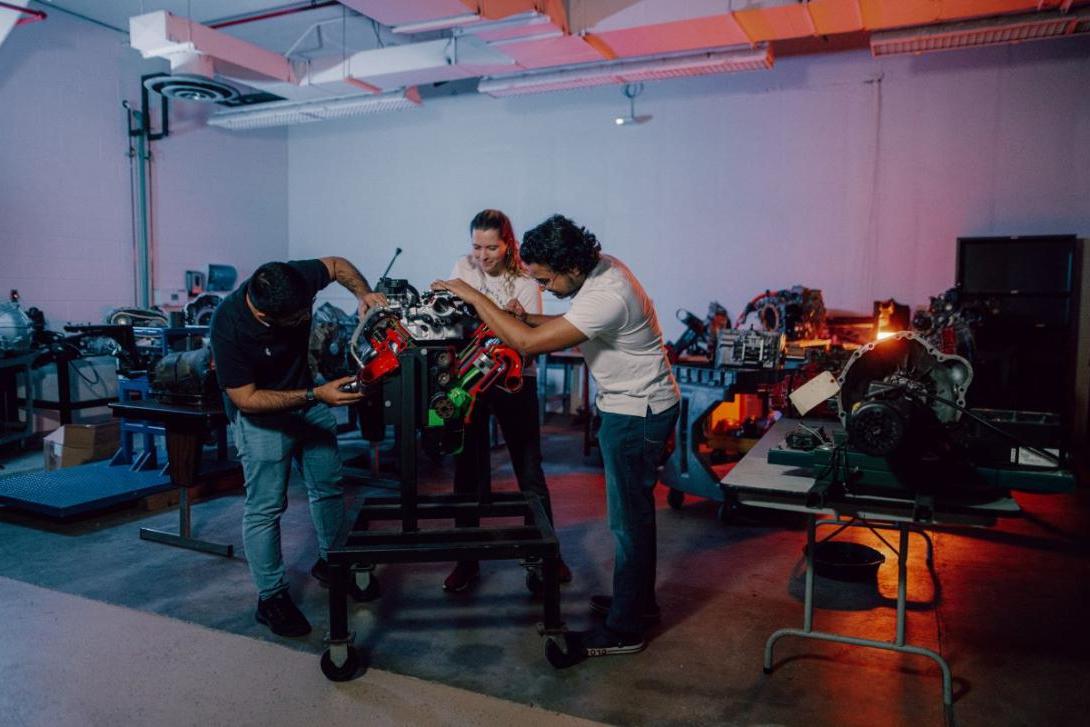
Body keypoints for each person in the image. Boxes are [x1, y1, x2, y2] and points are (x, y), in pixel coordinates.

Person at [434, 214, 679, 657]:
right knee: (633, 519)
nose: (544, 290)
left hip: (636, 413)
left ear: (569, 267)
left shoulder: (608, 294)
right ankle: (636, 603)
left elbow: (528, 346)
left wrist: (471, 295)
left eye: (546, 281)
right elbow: (563, 319)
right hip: (635, 407)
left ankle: (625, 629)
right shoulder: (601, 267)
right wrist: (523, 314)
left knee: (627, 525)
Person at [210, 258, 387, 637]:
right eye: (298, 316)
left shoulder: (291, 279)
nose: (307, 315)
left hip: (309, 402)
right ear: (264, 314)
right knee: (266, 507)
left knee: (328, 487)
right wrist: (315, 393)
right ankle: (270, 597)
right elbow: (246, 398)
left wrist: (364, 293)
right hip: (261, 416)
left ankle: (331, 562)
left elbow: (337, 265)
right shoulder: (229, 325)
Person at [442, 209, 571, 592]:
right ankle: (467, 560)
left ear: (508, 245)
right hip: (468, 379)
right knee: (467, 472)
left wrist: (515, 320)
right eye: (476, 246)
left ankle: (547, 556)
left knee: (529, 470)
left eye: (491, 247)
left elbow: (528, 344)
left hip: (515, 380)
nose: (482, 255)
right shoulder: (461, 269)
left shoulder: (526, 280)